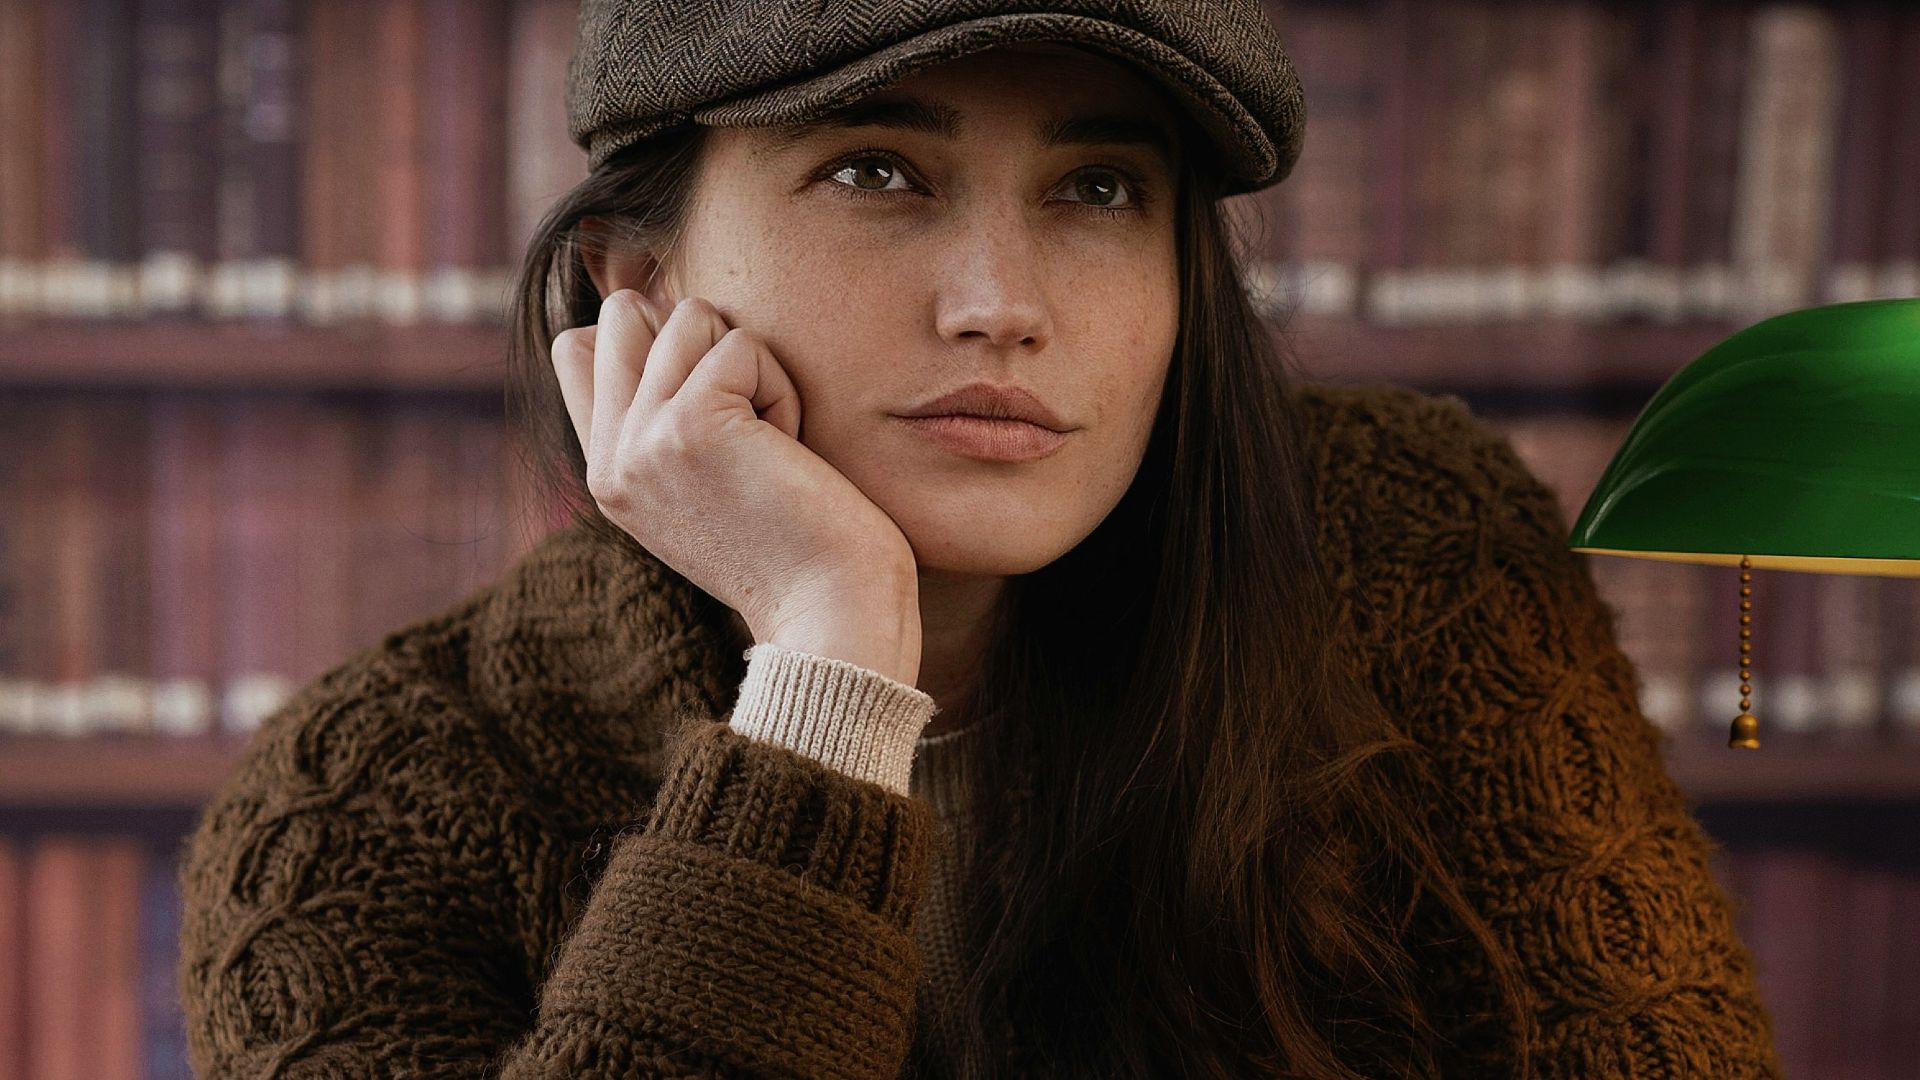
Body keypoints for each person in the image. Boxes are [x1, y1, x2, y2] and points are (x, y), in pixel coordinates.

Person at [176, 1, 1786, 1077]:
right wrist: (826, 667)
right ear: (638, 281)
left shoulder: (1413, 548)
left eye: (1098, 190)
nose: (1004, 305)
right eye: (877, 169)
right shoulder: (376, 801)